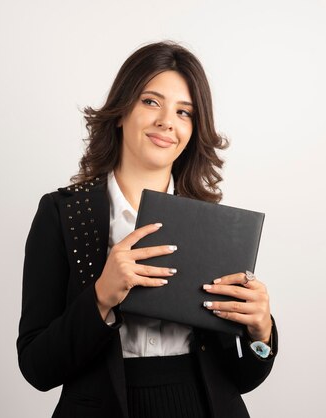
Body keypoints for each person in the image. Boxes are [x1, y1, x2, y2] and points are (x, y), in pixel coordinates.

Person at [17, 41, 277, 418]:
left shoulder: (213, 225)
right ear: (121, 112)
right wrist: (102, 296)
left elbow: (243, 378)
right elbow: (37, 368)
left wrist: (260, 332)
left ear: (193, 129)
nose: (167, 122)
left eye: (184, 112)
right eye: (151, 102)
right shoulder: (63, 213)